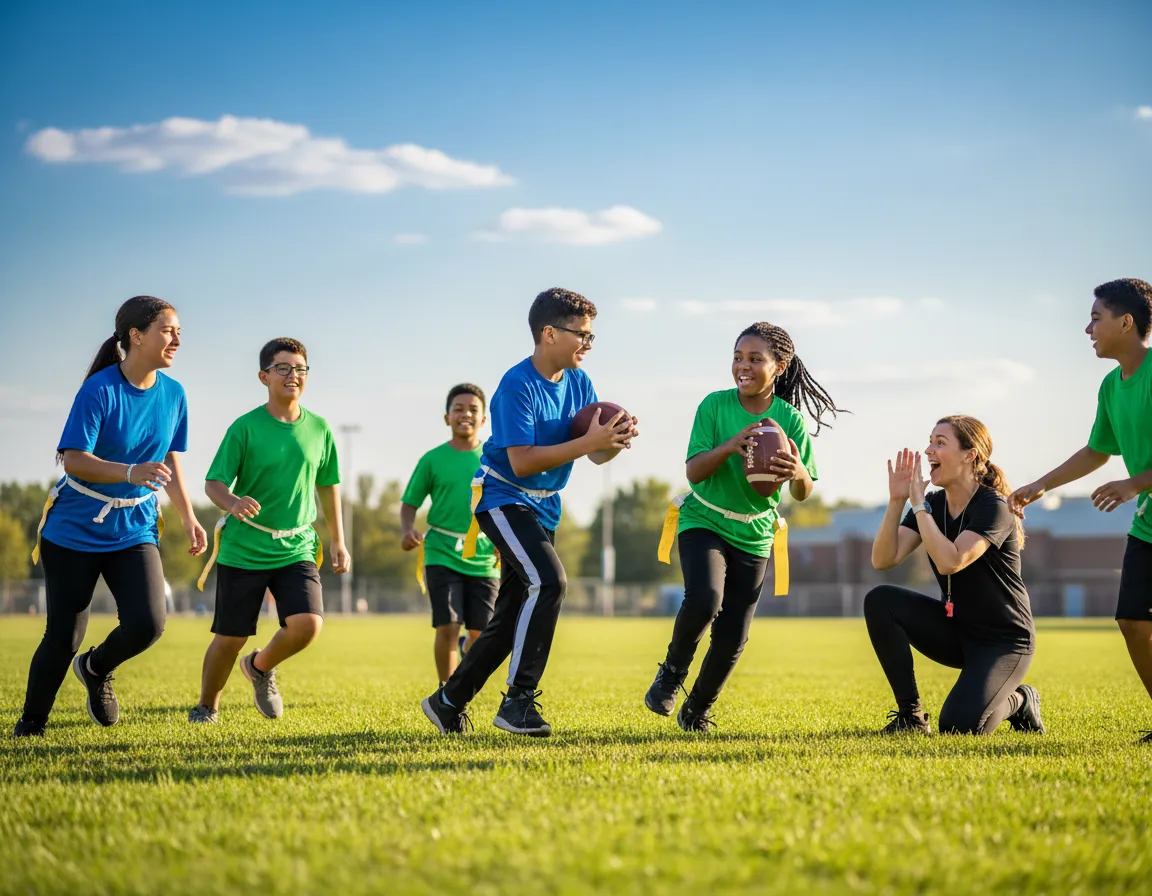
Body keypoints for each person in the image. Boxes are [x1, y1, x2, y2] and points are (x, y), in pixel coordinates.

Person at [421, 287, 638, 737]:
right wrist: (590, 442)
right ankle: (518, 701)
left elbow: (594, 456)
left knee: (511, 615)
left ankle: (448, 701)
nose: (588, 344)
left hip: (544, 506)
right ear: (549, 333)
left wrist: (613, 441)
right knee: (551, 581)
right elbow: (521, 462)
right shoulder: (516, 386)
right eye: (582, 334)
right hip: (502, 496)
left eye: (591, 336)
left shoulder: (580, 383)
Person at [14, 296, 207, 737]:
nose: (177, 339)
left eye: (179, 332)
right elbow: (74, 459)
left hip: (134, 527)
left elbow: (169, 460)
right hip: (74, 528)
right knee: (64, 636)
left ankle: (96, 669)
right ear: (135, 336)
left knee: (148, 624)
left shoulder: (174, 394)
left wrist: (188, 516)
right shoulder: (99, 390)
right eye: (168, 330)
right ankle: (31, 724)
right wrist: (130, 472)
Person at [644, 322, 833, 731]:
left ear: (779, 366)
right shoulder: (714, 405)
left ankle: (697, 710)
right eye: (737, 358)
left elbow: (803, 492)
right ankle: (671, 673)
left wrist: (798, 471)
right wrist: (730, 447)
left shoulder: (789, 419)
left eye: (754, 359)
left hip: (755, 533)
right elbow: (694, 472)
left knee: (733, 635)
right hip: (703, 518)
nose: (742, 366)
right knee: (705, 599)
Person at [1009, 278, 1152, 743]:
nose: (1088, 329)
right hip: (1148, 526)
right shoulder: (1111, 386)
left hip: (1142, 501)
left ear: (1126, 322)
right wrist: (1041, 485)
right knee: (1133, 622)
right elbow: (1097, 451)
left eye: (1095, 318)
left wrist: (1135, 483)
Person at [187, 337, 349, 724]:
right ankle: (206, 706)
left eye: (300, 369)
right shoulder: (245, 428)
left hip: (296, 546)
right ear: (264, 377)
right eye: (283, 368)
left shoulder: (320, 428)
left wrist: (338, 540)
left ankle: (259, 667)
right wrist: (233, 503)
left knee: (307, 625)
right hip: (244, 548)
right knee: (231, 638)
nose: (293, 375)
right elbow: (213, 483)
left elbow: (328, 485)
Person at [866, 416, 1044, 735]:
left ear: (969, 455)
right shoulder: (933, 505)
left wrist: (918, 506)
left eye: (940, 442)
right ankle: (911, 717)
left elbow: (951, 561)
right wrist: (897, 501)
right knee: (880, 601)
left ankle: (1020, 700)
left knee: (957, 727)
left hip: (1004, 642)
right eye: (930, 441)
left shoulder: (994, 507)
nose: (929, 450)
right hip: (958, 630)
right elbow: (883, 559)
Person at [401, 384, 500, 686]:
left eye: (473, 409)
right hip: (441, 551)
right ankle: (447, 694)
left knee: (483, 635)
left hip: (484, 555)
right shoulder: (432, 460)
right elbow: (409, 503)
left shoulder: (494, 459)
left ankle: (465, 654)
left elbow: (508, 502)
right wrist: (407, 529)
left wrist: (504, 541)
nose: (465, 414)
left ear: (484, 419)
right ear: (447, 417)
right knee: (448, 625)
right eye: (458, 409)